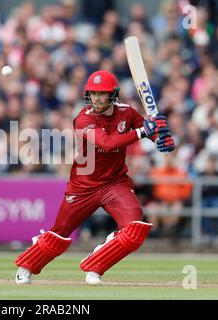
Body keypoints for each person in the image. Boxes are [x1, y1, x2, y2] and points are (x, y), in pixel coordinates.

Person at [14, 70, 175, 285]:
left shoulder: (127, 112)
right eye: (93, 93)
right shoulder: (83, 119)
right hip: (83, 186)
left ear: (113, 95)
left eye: (102, 94)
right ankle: (26, 266)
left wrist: (161, 138)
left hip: (114, 183)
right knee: (59, 234)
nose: (97, 98)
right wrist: (144, 132)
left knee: (135, 228)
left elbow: (147, 128)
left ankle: (96, 265)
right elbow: (108, 143)